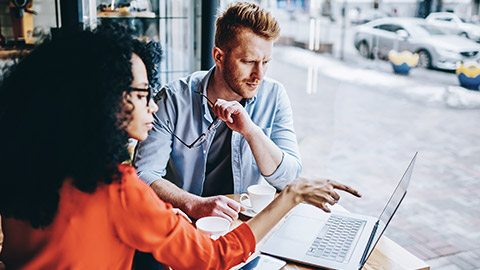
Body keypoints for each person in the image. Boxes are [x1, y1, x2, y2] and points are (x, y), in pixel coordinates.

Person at [0, 24, 361, 269]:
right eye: (142, 94)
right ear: (100, 100)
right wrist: (292, 195)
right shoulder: (117, 188)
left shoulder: (22, 167)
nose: (152, 105)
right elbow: (216, 257)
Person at [134, 1, 302, 222]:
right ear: (219, 57)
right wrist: (193, 204)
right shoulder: (173, 99)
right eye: (249, 61)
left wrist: (251, 131)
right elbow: (143, 174)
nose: (258, 75)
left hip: (244, 225)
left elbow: (289, 180)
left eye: (265, 62)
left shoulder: (274, 95)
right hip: (185, 224)